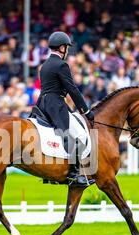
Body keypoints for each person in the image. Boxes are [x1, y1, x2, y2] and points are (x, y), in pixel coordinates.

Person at [36, 31, 95, 186]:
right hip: (56, 104)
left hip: (43, 103)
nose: (67, 50)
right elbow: (72, 90)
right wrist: (86, 111)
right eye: (66, 47)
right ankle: (74, 175)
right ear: (62, 47)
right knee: (79, 136)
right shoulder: (61, 65)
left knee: (51, 136)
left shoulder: (44, 66)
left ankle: (49, 174)